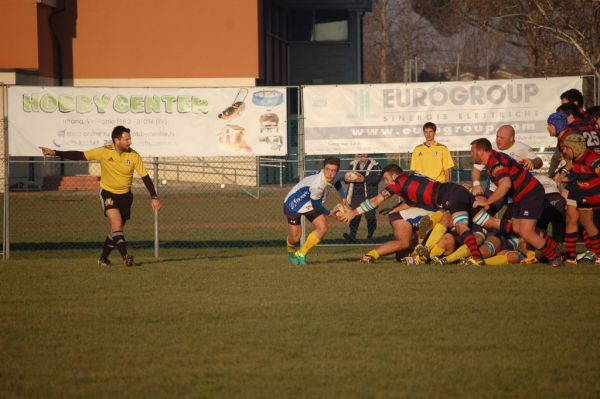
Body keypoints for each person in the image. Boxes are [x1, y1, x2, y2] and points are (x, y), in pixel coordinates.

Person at [39, 125, 161, 267]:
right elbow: (80, 155)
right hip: (108, 193)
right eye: (127, 139)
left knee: (116, 230)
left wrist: (154, 197)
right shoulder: (104, 152)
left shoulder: (134, 155)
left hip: (126, 197)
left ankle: (103, 259)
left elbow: (145, 177)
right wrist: (55, 152)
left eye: (130, 139)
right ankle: (126, 257)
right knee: (116, 224)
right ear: (117, 140)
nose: (130, 142)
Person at [341, 164, 486, 265]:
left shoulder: (398, 182)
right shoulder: (411, 175)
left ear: (393, 175)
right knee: (485, 221)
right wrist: (393, 210)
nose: (386, 183)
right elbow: (411, 199)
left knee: (455, 226)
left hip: (442, 199)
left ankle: (420, 253)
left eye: (386, 179)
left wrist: (354, 212)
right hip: (448, 193)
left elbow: (376, 200)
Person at [470, 138, 562, 266]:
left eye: (472, 151)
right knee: (517, 228)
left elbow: (506, 184)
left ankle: (554, 258)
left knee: (526, 232)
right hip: (520, 196)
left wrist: (487, 202)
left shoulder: (495, 164)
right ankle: (554, 247)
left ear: (480, 152)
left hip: (530, 194)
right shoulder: (493, 158)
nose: (471, 154)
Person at [283, 156, 346, 265]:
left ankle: (301, 253)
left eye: (333, 170)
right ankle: (290, 249)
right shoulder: (318, 185)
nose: (330, 173)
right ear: (323, 168)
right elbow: (317, 205)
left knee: (323, 228)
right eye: (327, 169)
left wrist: (344, 198)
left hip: (310, 203)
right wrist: (330, 213)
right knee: (296, 238)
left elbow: (337, 183)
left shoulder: (333, 176)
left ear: (337, 170)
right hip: (293, 205)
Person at [471, 125, 543, 208]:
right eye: (497, 137)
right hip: (495, 190)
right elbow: (476, 168)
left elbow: (539, 162)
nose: (498, 140)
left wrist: (532, 162)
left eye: (502, 138)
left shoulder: (522, 148)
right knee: (480, 212)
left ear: (511, 139)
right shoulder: (490, 148)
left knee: (513, 218)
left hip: (515, 191)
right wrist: (476, 184)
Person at [343, 154, 380, 242]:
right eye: (359, 152)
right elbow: (346, 178)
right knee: (354, 215)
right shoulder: (353, 164)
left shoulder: (375, 164)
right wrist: (347, 179)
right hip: (356, 195)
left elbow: (377, 179)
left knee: (370, 216)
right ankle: (352, 235)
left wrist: (364, 179)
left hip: (369, 195)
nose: (361, 154)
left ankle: (370, 236)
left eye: (364, 152)